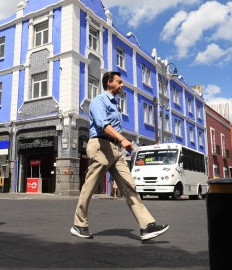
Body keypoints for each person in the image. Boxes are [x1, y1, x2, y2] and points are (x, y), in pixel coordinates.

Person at [70, 71, 169, 242]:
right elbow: (102, 124)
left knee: (129, 185)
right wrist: (123, 139)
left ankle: (147, 226)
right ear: (109, 83)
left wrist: (122, 144)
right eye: (119, 82)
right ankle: (79, 224)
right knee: (90, 187)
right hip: (101, 145)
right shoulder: (99, 100)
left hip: (115, 149)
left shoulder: (115, 104)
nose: (122, 85)